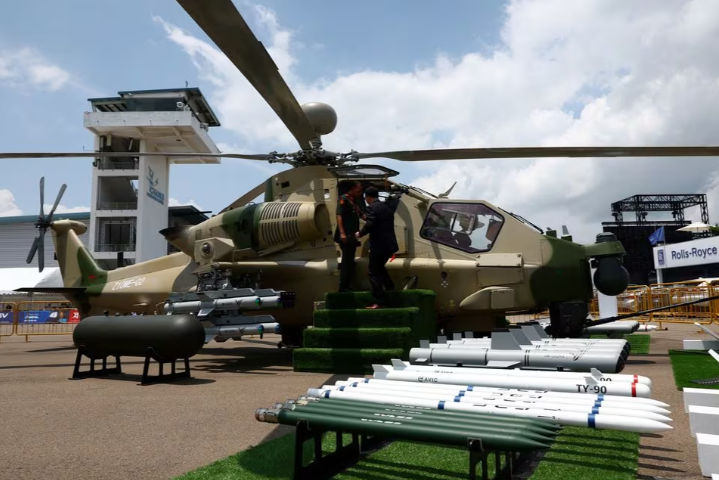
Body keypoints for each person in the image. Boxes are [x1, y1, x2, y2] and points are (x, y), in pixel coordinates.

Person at [356, 186, 402, 308]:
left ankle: (379, 301)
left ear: (367, 197)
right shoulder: (386, 207)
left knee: (373, 272)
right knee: (379, 268)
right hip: (390, 245)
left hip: (379, 246)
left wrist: (359, 234)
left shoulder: (372, 208)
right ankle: (390, 287)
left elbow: (370, 223)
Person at [334, 181, 365, 291]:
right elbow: (339, 216)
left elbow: (361, 214)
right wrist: (342, 233)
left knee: (350, 260)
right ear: (352, 189)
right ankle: (343, 287)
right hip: (345, 236)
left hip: (351, 236)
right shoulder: (344, 199)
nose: (360, 192)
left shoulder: (353, 201)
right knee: (347, 261)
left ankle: (347, 285)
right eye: (358, 189)